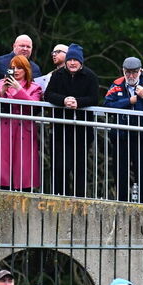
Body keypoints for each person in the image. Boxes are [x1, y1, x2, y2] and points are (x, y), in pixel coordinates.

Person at [43, 43, 101, 197]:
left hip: (82, 131)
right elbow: (48, 95)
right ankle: (59, 197)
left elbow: (95, 98)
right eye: (70, 60)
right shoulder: (57, 75)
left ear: (81, 62)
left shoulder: (90, 76)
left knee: (79, 168)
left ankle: (79, 199)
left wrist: (78, 102)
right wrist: (64, 100)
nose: (73, 63)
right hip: (60, 130)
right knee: (60, 166)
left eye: (76, 60)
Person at [104, 56, 143, 202]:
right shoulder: (116, 85)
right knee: (120, 171)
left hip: (142, 136)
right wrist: (128, 101)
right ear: (123, 71)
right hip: (121, 136)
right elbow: (107, 107)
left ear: (140, 71)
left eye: (134, 72)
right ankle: (121, 201)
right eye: (128, 72)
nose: (131, 76)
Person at [0, 54, 44, 190]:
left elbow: (35, 106)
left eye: (20, 68)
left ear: (26, 69)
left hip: (24, 127)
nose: (16, 71)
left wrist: (19, 90)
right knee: (3, 161)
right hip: (5, 126)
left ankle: (25, 189)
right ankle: (1, 187)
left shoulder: (34, 87)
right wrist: (2, 92)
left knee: (24, 163)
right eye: (13, 68)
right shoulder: (1, 83)